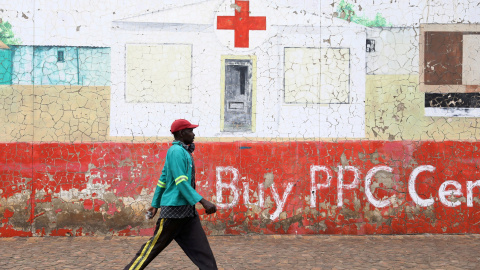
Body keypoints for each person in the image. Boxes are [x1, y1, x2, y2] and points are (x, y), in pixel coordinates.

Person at [124, 119, 218, 270]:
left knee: (205, 257)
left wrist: (155, 204)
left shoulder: (184, 151)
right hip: (173, 213)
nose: (193, 134)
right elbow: (181, 182)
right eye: (190, 131)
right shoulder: (175, 151)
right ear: (182, 133)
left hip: (188, 214)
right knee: (150, 250)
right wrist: (203, 201)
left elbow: (163, 179)